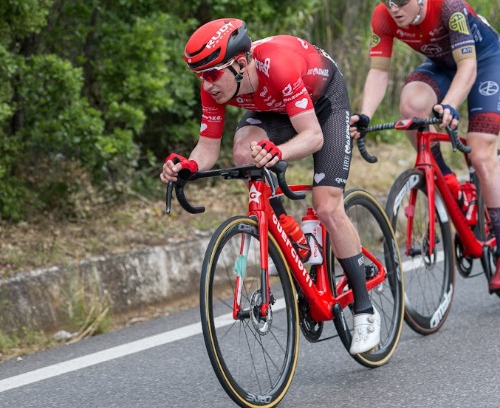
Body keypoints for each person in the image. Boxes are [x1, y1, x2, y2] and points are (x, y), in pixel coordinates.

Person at [160, 18, 381, 355]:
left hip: (323, 107)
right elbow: (207, 150)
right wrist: (186, 167)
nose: (206, 85)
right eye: (199, 77)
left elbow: (313, 136)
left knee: (326, 205)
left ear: (241, 63)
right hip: (275, 110)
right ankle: (290, 232)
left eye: (211, 74)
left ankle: (365, 310)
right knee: (243, 150)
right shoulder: (215, 87)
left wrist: (280, 152)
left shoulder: (276, 65)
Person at [350, 0, 500, 292]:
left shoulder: (449, 7)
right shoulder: (383, 18)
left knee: (482, 153)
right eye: (386, 0)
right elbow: (378, 73)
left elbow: (468, 67)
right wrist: (365, 114)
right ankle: (446, 180)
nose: (393, 7)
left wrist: (451, 105)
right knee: (411, 108)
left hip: (481, 61)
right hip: (442, 64)